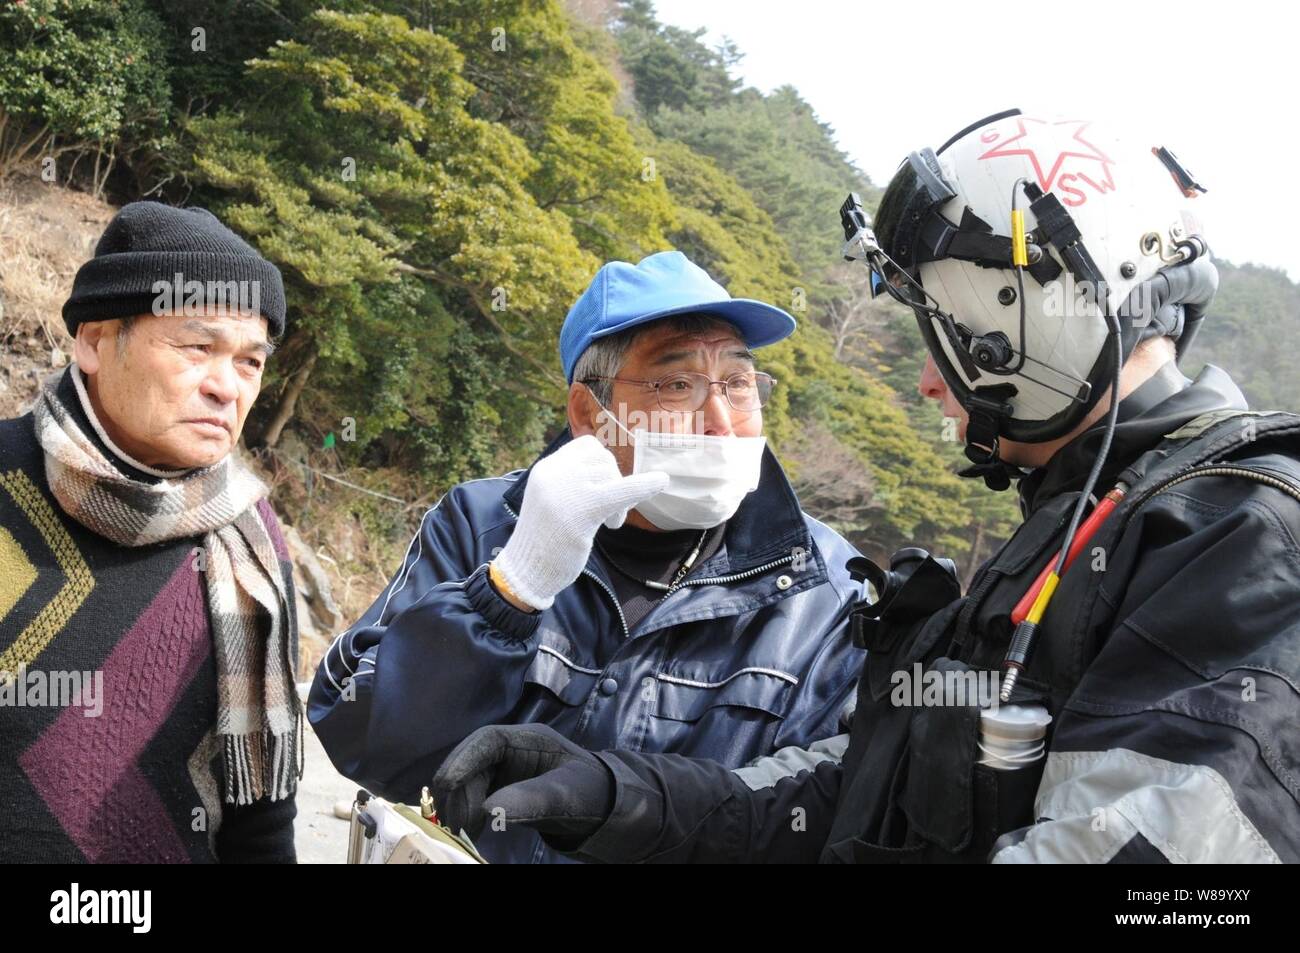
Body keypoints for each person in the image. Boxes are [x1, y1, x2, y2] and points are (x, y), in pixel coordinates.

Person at [430, 111, 1300, 864]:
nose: (928, 381)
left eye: (944, 336)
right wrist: (613, 793)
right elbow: (854, 789)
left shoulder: (1241, 535)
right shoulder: (1073, 542)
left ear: (1019, 314)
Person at [309, 250, 867, 864]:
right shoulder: (482, 522)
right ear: (588, 414)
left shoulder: (828, 586)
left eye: (737, 384)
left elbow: (834, 805)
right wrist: (508, 590)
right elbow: (363, 737)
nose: (721, 422)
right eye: (677, 384)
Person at [0, 201, 301, 863]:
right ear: (95, 339)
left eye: (250, 362)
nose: (227, 387)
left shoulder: (247, 545)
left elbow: (262, 829)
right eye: (198, 347)